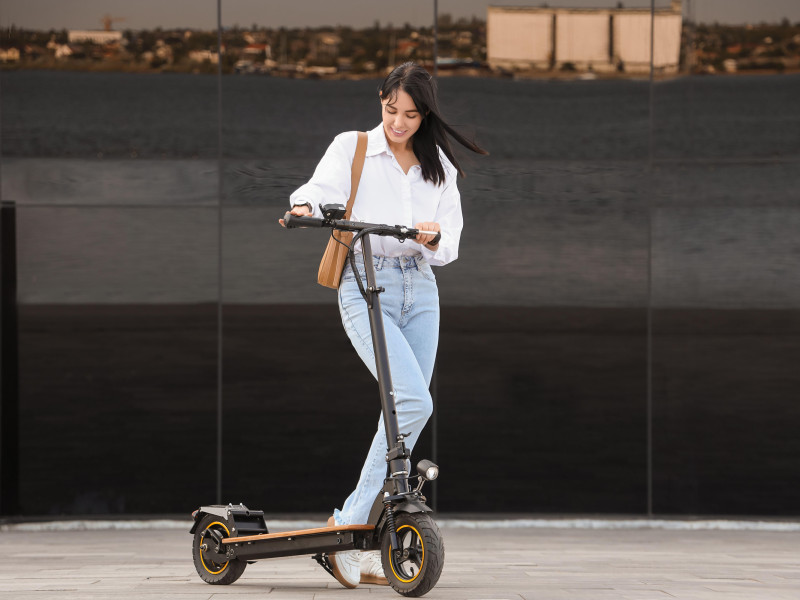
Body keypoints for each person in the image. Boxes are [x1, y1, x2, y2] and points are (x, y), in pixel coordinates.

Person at [282, 62, 487, 588]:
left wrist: (433, 236)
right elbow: (312, 192)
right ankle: (352, 524)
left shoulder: (437, 164)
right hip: (364, 281)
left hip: (421, 288)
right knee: (414, 404)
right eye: (391, 110)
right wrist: (303, 207)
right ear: (381, 100)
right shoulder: (353, 147)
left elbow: (451, 245)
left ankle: (363, 535)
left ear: (425, 114)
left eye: (411, 115)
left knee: (401, 415)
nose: (399, 122)